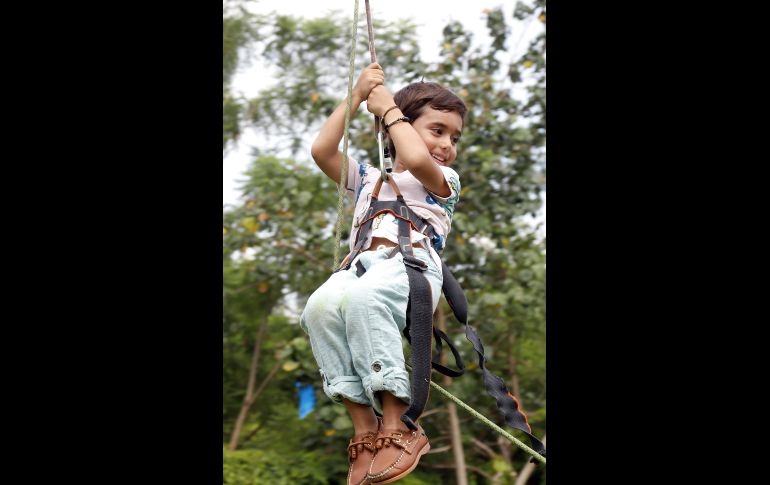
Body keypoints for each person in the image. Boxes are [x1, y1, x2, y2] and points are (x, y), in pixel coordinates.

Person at [300, 62, 466, 485]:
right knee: (318, 308)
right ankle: (364, 427)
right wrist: (356, 97)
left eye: (453, 137)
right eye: (437, 130)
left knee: (364, 299)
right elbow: (322, 151)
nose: (447, 144)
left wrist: (389, 106)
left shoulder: (444, 180)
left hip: (408, 266)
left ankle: (398, 422)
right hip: (361, 266)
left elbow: (413, 155)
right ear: (399, 128)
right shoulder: (370, 180)